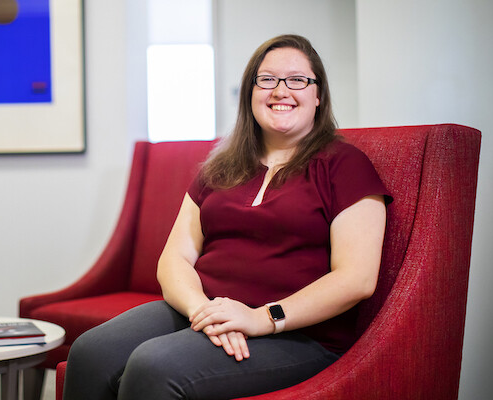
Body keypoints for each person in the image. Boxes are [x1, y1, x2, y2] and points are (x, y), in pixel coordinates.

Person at [63, 34, 392, 400]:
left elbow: (357, 279)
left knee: (153, 367)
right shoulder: (221, 166)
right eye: (266, 79)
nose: (281, 90)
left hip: (298, 334)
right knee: (91, 352)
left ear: (318, 95)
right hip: (203, 308)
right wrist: (203, 312)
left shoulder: (345, 165)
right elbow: (174, 259)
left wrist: (260, 319)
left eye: (297, 79)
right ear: (250, 93)